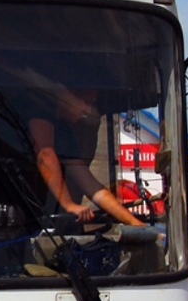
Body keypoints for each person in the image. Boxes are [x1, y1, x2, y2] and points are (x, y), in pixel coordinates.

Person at [27, 88, 145, 227]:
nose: (88, 111)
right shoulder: (38, 108)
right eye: (86, 102)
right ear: (68, 94)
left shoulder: (64, 132)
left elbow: (92, 187)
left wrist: (135, 223)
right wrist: (69, 204)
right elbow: (45, 154)